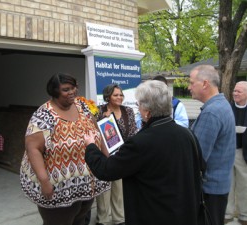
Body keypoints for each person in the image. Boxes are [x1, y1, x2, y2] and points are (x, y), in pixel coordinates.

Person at [84, 80, 203, 225]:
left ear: (147, 112)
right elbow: (203, 167)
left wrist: (90, 146)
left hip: (154, 215)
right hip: (186, 214)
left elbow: (106, 170)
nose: (138, 109)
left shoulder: (140, 142)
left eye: (139, 105)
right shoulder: (188, 134)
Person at [20, 73, 110, 225]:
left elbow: (97, 132)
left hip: (86, 183)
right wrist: (44, 182)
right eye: (66, 89)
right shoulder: (44, 115)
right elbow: (33, 149)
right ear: (54, 92)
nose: (72, 92)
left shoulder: (82, 107)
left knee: (80, 219)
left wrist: (107, 159)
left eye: (74, 87)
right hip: (57, 187)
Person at [188, 65, 236, 225]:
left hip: (209, 191)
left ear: (205, 84)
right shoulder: (222, 105)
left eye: (191, 82)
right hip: (218, 187)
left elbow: (196, 158)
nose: (188, 87)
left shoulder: (211, 113)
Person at [94, 84, 137, 225]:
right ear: (108, 97)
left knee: (119, 189)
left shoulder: (128, 111)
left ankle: (119, 219)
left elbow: (132, 132)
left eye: (121, 95)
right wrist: (103, 120)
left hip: (121, 156)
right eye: (116, 95)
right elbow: (93, 132)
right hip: (104, 157)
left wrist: (124, 150)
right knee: (104, 190)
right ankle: (103, 220)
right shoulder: (99, 111)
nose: (119, 97)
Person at [225, 81, 247, 225]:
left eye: (239, 91)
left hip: (243, 153)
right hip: (227, 151)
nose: (235, 94)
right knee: (228, 183)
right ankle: (227, 213)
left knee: (244, 184)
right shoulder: (227, 108)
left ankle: (244, 215)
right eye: (234, 91)